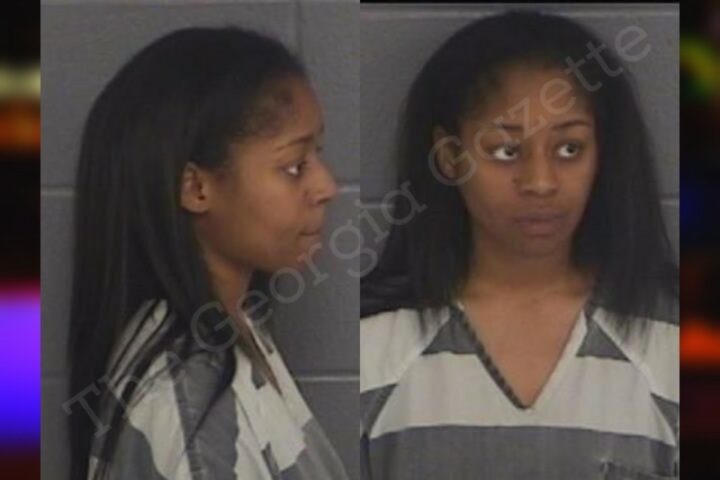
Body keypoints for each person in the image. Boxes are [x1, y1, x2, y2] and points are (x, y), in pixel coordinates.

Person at [360, 10, 679, 480]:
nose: (541, 182)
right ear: (450, 158)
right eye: (506, 151)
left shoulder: (674, 340)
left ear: (602, 154)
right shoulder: (373, 346)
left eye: (569, 149)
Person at [66, 27, 349, 480]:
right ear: (196, 188)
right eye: (295, 166)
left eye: (317, 154)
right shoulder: (193, 423)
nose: (327, 186)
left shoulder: (230, 325)